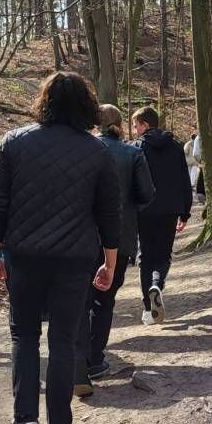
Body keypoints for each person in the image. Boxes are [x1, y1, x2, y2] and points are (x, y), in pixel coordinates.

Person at [0, 72, 121, 424]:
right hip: (75, 259)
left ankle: (23, 416)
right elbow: (109, 214)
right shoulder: (97, 151)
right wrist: (109, 264)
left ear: (43, 101)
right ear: (86, 105)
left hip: (24, 255)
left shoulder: (14, 142)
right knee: (62, 338)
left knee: (23, 334)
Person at [74, 104, 154, 395]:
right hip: (120, 236)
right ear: (120, 124)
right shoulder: (132, 154)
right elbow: (147, 193)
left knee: (81, 300)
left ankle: (80, 362)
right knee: (105, 300)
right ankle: (95, 359)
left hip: (81, 237)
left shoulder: (81, 149)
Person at [131, 106, 192, 326]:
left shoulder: (136, 148)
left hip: (144, 210)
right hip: (170, 210)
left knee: (145, 256)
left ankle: (148, 309)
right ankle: (157, 284)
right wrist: (185, 211)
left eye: (136, 126)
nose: (134, 130)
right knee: (163, 255)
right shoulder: (175, 147)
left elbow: (131, 182)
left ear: (145, 125)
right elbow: (184, 180)